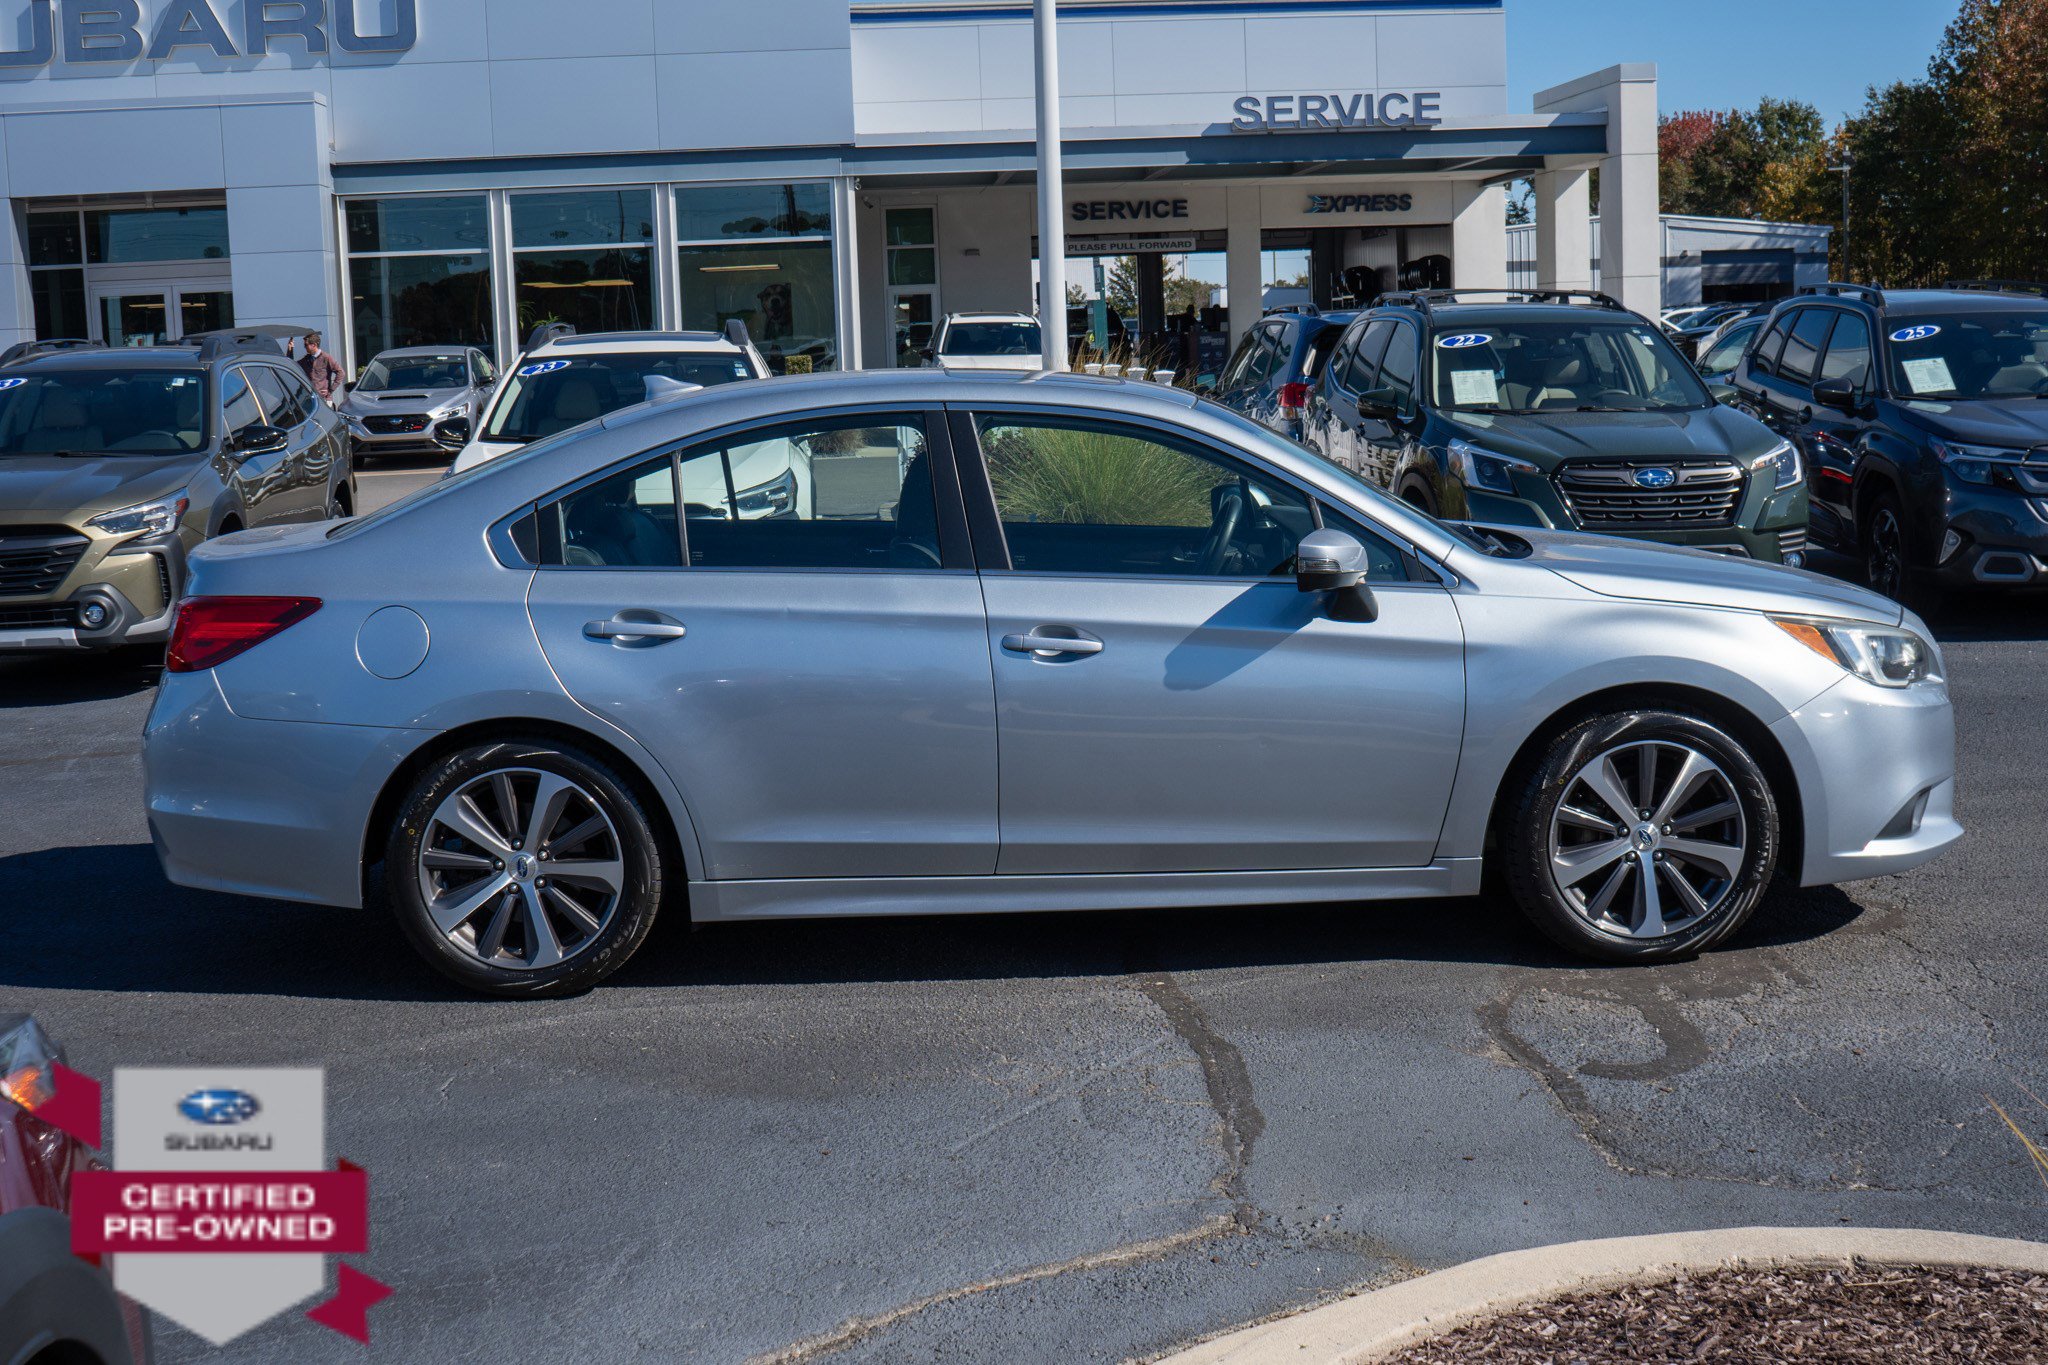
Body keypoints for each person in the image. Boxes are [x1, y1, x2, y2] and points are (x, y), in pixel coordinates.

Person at [297, 331, 345, 404]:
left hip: (324, 399)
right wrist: (290, 349)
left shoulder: (326, 357)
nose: (304, 347)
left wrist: (330, 390)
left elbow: (341, 373)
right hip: (309, 398)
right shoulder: (306, 359)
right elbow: (293, 365)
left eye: (306, 345)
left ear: (314, 345)